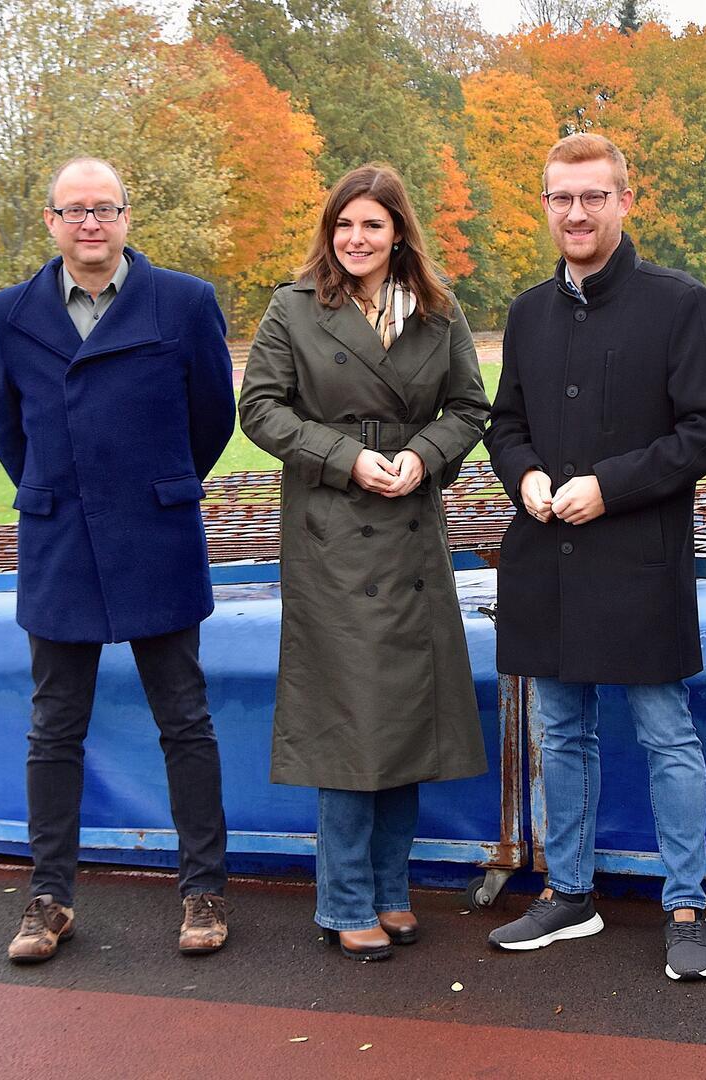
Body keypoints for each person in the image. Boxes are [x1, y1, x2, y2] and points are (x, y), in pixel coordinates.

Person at [484, 133, 706, 981]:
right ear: (547, 204)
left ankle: (686, 904)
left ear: (626, 201)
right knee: (561, 731)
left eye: (594, 196)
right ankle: (570, 895)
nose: (577, 212)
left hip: (636, 557)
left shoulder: (679, 302)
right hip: (546, 557)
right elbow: (505, 424)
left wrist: (609, 486)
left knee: (667, 734)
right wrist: (522, 478)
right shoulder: (526, 311)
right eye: (562, 197)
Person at [0, 157, 238, 963]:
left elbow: (212, 417)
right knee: (54, 728)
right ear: (51, 222)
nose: (90, 223)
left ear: (128, 217)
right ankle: (49, 898)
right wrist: (60, 489)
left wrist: (161, 487)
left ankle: (204, 892)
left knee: (184, 721)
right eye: (74, 211)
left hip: (156, 538)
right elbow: (7, 430)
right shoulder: (9, 313)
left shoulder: (185, 303)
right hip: (59, 541)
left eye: (105, 209)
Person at [238, 163, 491, 961]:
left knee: (406, 722)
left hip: (412, 530)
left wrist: (423, 455)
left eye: (372, 226)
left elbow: (470, 407)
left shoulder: (438, 310)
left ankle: (390, 891)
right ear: (330, 229)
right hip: (332, 536)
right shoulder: (294, 308)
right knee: (350, 727)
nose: (356, 239)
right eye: (344, 225)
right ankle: (344, 899)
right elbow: (261, 408)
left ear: (397, 233)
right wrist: (344, 456)